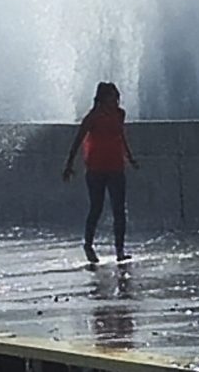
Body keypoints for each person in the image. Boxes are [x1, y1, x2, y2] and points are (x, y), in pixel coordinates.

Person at [63, 82, 139, 263]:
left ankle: (120, 251)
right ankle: (88, 245)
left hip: (116, 167)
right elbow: (78, 139)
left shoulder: (120, 114)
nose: (114, 99)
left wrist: (130, 158)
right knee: (96, 208)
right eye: (110, 96)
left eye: (115, 96)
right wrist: (69, 164)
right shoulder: (92, 117)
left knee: (119, 210)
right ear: (102, 98)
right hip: (95, 169)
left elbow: (121, 137)